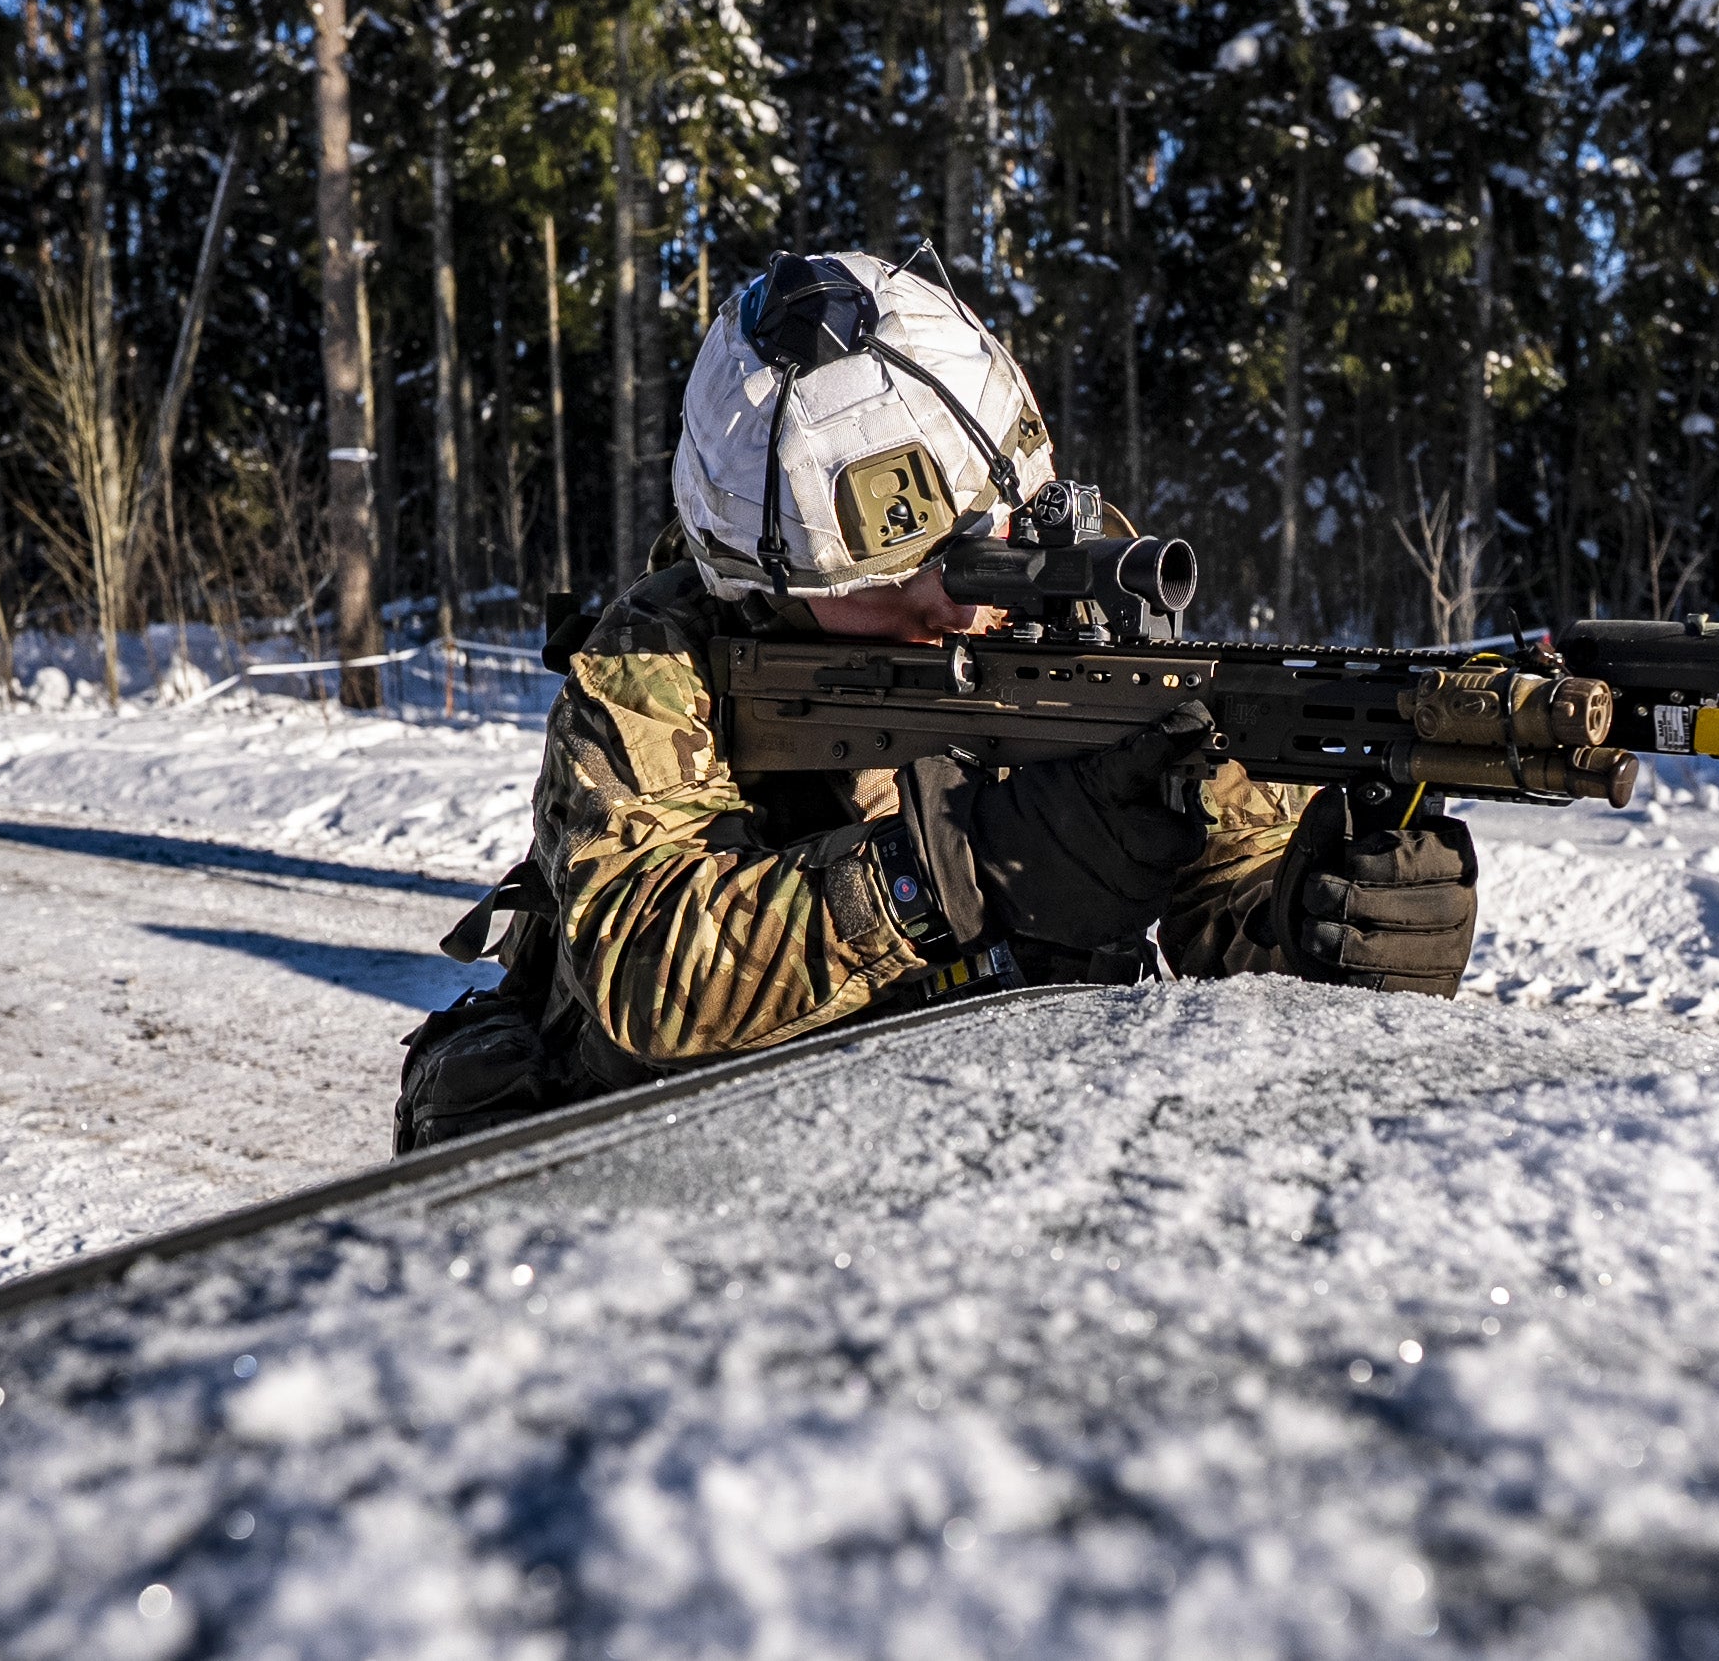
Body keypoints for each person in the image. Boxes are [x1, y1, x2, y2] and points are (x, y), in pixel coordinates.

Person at [395, 249, 1478, 1150]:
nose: (952, 605)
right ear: (765, 589)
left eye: (978, 551)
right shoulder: (662, 659)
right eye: (880, 586)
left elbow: (1226, 883)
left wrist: (1321, 928)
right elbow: (648, 970)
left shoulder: (1089, 603)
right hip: (704, 1166)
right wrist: (941, 874)